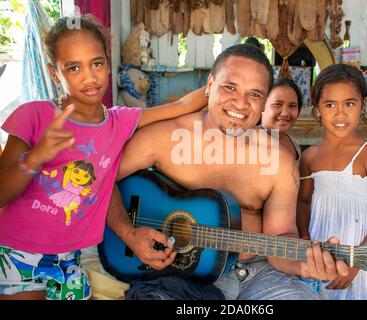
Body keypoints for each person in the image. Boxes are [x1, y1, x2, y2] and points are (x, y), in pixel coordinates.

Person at [107, 44, 348, 300]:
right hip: (177, 275)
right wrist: (128, 233)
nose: (240, 103)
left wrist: (305, 264)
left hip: (255, 274)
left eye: (254, 94)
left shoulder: (279, 161)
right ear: (209, 85)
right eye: (230, 87)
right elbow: (100, 180)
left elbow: (279, 239)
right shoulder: (162, 137)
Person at [0, 15, 207, 300]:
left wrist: (225, 83)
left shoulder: (119, 123)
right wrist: (34, 159)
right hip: (18, 253)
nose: (89, 76)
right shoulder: (33, 116)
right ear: (53, 73)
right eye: (73, 68)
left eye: (96, 63)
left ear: (108, 64)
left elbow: (183, 105)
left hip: (69, 259)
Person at [298, 64, 367, 300]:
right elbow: (303, 202)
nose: (340, 114)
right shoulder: (310, 156)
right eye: (330, 104)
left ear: (363, 103)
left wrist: (356, 263)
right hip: (320, 255)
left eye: (349, 104)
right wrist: (303, 244)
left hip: (362, 255)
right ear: (318, 108)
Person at [261, 78, 302, 160]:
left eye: (292, 106)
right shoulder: (250, 144)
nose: (285, 113)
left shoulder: (292, 143)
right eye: (277, 104)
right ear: (261, 106)